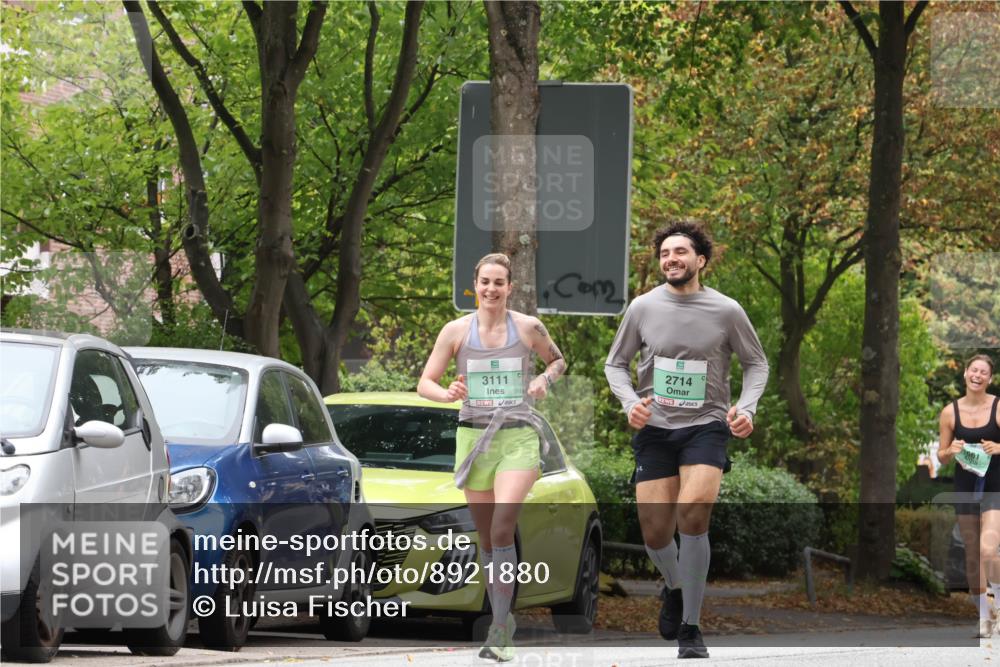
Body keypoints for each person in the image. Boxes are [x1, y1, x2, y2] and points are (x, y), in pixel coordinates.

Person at [605, 221, 769, 659]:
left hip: (707, 425)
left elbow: (757, 364)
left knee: (693, 514)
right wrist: (629, 404)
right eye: (664, 253)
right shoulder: (642, 307)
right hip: (655, 429)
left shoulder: (727, 310)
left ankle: (691, 629)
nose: (671, 259)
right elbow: (615, 365)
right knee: (655, 532)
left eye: (680, 252)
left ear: (701, 260)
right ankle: (675, 588)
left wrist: (747, 408)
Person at [418, 253, 566, 662]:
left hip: (518, 436)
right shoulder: (456, 331)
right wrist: (446, 393)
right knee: (486, 538)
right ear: (475, 285)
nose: (491, 289)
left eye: (499, 282)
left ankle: (499, 629)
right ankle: (504, 617)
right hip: (474, 439)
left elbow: (558, 360)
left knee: (503, 527)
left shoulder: (529, 327)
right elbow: (424, 383)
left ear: (509, 287)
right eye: (485, 282)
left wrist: (542, 379)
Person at [936, 354, 1000, 638]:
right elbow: (941, 454)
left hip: (995, 486)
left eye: (983, 372)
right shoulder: (950, 412)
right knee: (973, 555)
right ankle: (986, 616)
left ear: (990, 378)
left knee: (988, 550)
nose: (978, 375)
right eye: (973, 370)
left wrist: (997, 448)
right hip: (964, 487)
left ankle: (997, 599)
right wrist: (950, 451)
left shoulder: (998, 407)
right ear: (965, 374)